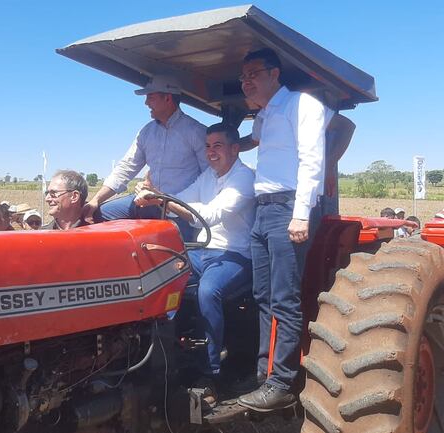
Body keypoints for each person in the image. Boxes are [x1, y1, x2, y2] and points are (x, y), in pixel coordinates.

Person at [236, 48, 329, 411]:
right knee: (262, 295)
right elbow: (253, 142)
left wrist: (302, 214)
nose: (246, 82)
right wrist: (222, 143)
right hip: (262, 210)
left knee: (284, 299)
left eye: (253, 74)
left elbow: (311, 159)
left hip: (289, 207)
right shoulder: (265, 114)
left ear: (275, 74)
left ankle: (282, 383)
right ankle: (265, 373)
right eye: (243, 76)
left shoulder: (302, 105)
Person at [136, 123, 255, 404]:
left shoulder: (244, 178)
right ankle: (164, 357)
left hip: (235, 254)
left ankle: (210, 373)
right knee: (161, 276)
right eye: (208, 146)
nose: (211, 152)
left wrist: (164, 199)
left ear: (234, 149)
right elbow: (184, 198)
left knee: (207, 291)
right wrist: (157, 196)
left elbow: (211, 215)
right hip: (204, 252)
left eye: (218, 146)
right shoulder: (208, 177)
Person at [82, 75, 208, 240]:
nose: (146, 103)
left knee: (181, 258)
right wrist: (95, 201)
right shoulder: (146, 133)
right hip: (147, 201)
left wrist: (202, 212)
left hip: (178, 209)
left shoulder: (196, 131)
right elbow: (126, 168)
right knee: (99, 214)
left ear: (168, 98)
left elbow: (209, 175)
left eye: (151, 97)